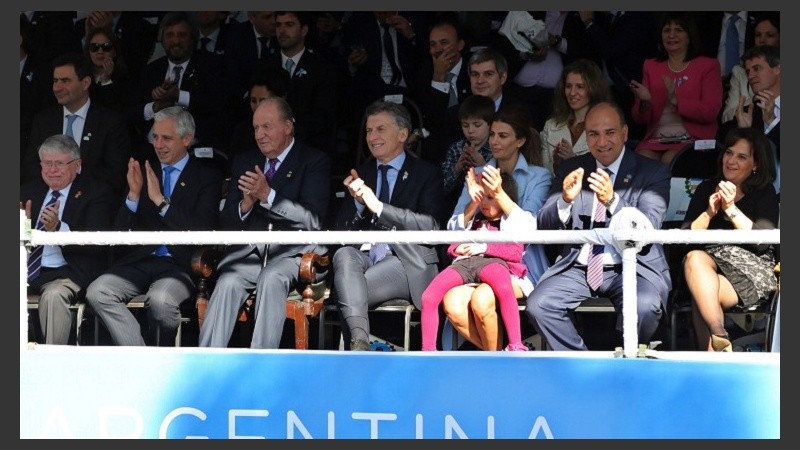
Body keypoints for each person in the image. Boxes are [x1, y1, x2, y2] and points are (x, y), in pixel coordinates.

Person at [525, 102, 672, 351]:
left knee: (644, 305)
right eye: (593, 134)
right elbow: (544, 224)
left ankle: (627, 362)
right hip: (578, 267)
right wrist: (565, 200)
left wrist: (613, 200)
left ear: (625, 133)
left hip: (633, 265)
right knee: (539, 305)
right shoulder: (572, 168)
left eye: (610, 132)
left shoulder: (653, 171)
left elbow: (649, 225)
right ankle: (581, 367)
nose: (602, 142)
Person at [198, 97, 330, 349]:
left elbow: (312, 220)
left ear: (288, 127)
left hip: (293, 254)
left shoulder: (313, 161)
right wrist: (245, 205)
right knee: (228, 281)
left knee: (271, 277)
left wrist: (268, 196)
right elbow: (227, 222)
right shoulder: (245, 161)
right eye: (256, 128)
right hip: (250, 254)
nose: (259, 134)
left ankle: (260, 365)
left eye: (266, 127)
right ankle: (206, 364)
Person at [85, 107, 223, 346]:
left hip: (180, 264)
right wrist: (134, 196)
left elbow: (203, 230)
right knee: (97, 291)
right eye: (155, 137)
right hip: (140, 260)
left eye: (166, 138)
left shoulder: (206, 177)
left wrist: (161, 202)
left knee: (160, 300)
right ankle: (142, 358)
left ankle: (156, 355)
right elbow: (119, 233)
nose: (158, 145)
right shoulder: (146, 171)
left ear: (187, 139)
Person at [331, 100, 443, 351]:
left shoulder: (426, 173)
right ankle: (360, 342)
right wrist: (359, 204)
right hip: (365, 255)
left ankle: (357, 343)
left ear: (402, 134)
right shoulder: (363, 172)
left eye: (380, 129)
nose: (372, 137)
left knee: (347, 289)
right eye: (369, 131)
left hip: (405, 259)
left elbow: (432, 226)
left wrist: (379, 207)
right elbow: (340, 231)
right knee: (344, 255)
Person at [442, 104, 551, 351]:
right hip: (473, 264)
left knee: (482, 301)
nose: (494, 141)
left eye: (503, 136)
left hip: (518, 265)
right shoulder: (478, 172)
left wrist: (500, 195)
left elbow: (530, 230)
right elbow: (453, 228)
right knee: (453, 306)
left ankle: (496, 360)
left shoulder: (539, 176)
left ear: (520, 140)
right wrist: (474, 202)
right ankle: (501, 355)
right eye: (492, 134)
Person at [681, 128, 778, 352]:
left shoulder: (764, 192)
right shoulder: (706, 188)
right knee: (696, 263)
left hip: (750, 272)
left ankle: (714, 357)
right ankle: (720, 334)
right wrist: (709, 212)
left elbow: (762, 242)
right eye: (729, 153)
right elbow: (684, 238)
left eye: (741, 157)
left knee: (701, 296)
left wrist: (731, 209)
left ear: (756, 165)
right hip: (706, 270)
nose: (731, 161)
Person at [21, 135, 116, 345]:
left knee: (54, 296)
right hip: (26, 270)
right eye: (47, 163)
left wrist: (58, 228)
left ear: (77, 165)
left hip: (67, 271)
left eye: (59, 163)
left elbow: (96, 245)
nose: (52, 169)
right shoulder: (27, 191)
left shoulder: (97, 193)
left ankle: (53, 366)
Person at [422, 169, 529, 351]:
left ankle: (515, 345)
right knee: (429, 297)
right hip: (465, 263)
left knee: (502, 288)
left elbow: (515, 252)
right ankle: (429, 351)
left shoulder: (510, 221)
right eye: (481, 197)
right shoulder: (473, 221)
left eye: (490, 197)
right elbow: (452, 246)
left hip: (493, 262)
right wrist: (458, 248)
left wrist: (484, 248)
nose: (484, 203)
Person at [22, 52, 131, 196]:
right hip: (47, 198)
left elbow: (115, 173)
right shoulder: (43, 120)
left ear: (85, 83)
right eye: (55, 81)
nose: (57, 88)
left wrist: (71, 184)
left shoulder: (110, 122)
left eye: (65, 81)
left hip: (91, 203)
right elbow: (31, 166)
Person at [127, 12, 229, 157]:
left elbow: (218, 104)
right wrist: (156, 107)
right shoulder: (151, 70)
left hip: (194, 149)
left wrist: (178, 95)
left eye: (182, 35)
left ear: (193, 38)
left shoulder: (211, 65)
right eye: (169, 35)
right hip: (152, 148)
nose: (176, 41)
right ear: (162, 39)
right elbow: (131, 112)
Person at [630, 12, 723, 166]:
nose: (671, 35)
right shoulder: (651, 66)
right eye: (667, 30)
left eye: (679, 30)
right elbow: (639, 119)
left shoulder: (708, 66)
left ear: (689, 36)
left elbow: (711, 111)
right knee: (641, 159)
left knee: (671, 159)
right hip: (656, 140)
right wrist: (645, 102)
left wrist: (676, 101)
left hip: (695, 140)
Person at [540, 58, 612, 175]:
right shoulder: (551, 125)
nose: (572, 93)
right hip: (555, 191)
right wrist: (557, 163)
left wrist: (573, 160)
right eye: (568, 86)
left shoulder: (607, 126)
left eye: (580, 87)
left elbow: (608, 172)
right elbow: (544, 174)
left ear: (593, 89)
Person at [439, 94, 494, 222]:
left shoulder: (495, 149)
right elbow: (441, 188)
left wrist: (483, 166)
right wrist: (457, 168)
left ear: (490, 124)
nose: (470, 130)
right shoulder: (456, 148)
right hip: (456, 207)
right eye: (465, 125)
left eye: (477, 125)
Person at [720, 13, 779, 124]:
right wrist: (753, 102)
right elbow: (726, 119)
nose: (762, 40)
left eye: (770, 35)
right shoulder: (739, 72)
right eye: (758, 35)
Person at [84, 27, 131, 114]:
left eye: (106, 47)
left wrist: (106, 80)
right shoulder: (81, 76)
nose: (100, 51)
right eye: (94, 47)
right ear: (88, 52)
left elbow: (115, 111)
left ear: (115, 52)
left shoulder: (124, 78)